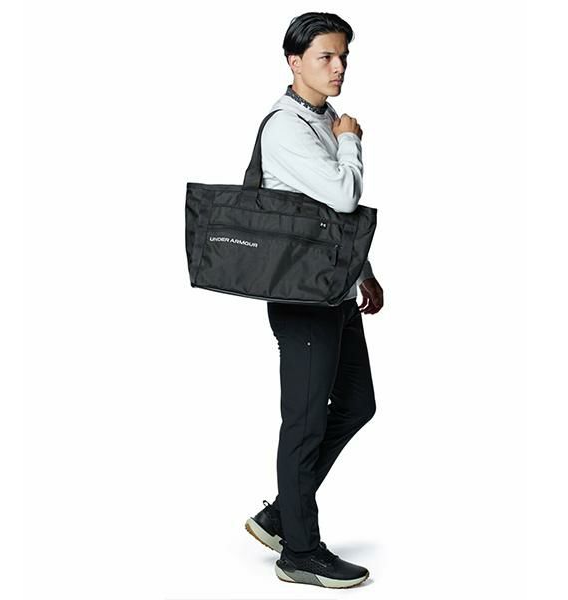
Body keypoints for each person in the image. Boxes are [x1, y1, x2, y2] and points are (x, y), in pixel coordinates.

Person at [243, 12, 384, 589]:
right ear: (294, 61)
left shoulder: (321, 120)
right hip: (302, 298)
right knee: (303, 423)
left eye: (344, 56)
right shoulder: (287, 128)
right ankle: (299, 552)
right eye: (326, 56)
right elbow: (345, 196)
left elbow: (327, 217)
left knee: (357, 403)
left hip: (332, 289)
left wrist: (363, 272)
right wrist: (350, 141)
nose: (339, 67)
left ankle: (282, 514)